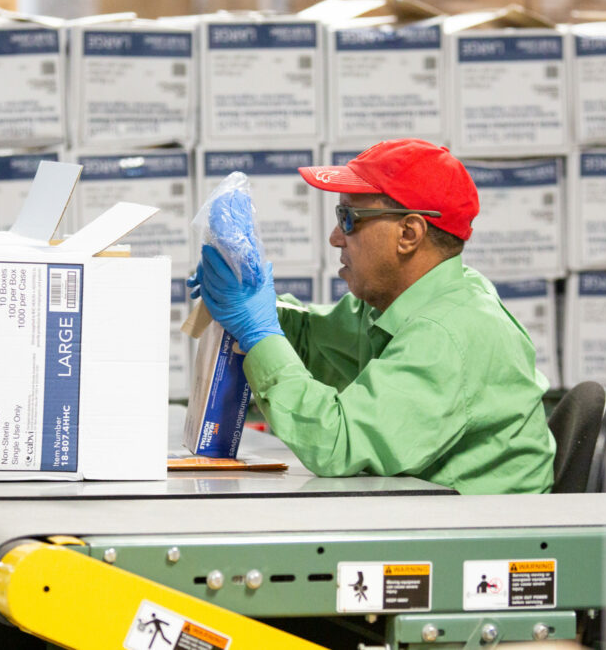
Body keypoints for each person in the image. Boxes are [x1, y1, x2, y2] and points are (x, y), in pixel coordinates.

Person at [189, 138, 555, 494]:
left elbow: (336, 443)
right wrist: (244, 293)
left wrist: (257, 329)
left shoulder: (449, 331)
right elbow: (313, 342)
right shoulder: (403, 301)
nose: (335, 237)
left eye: (348, 219)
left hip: (486, 540)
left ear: (409, 233)